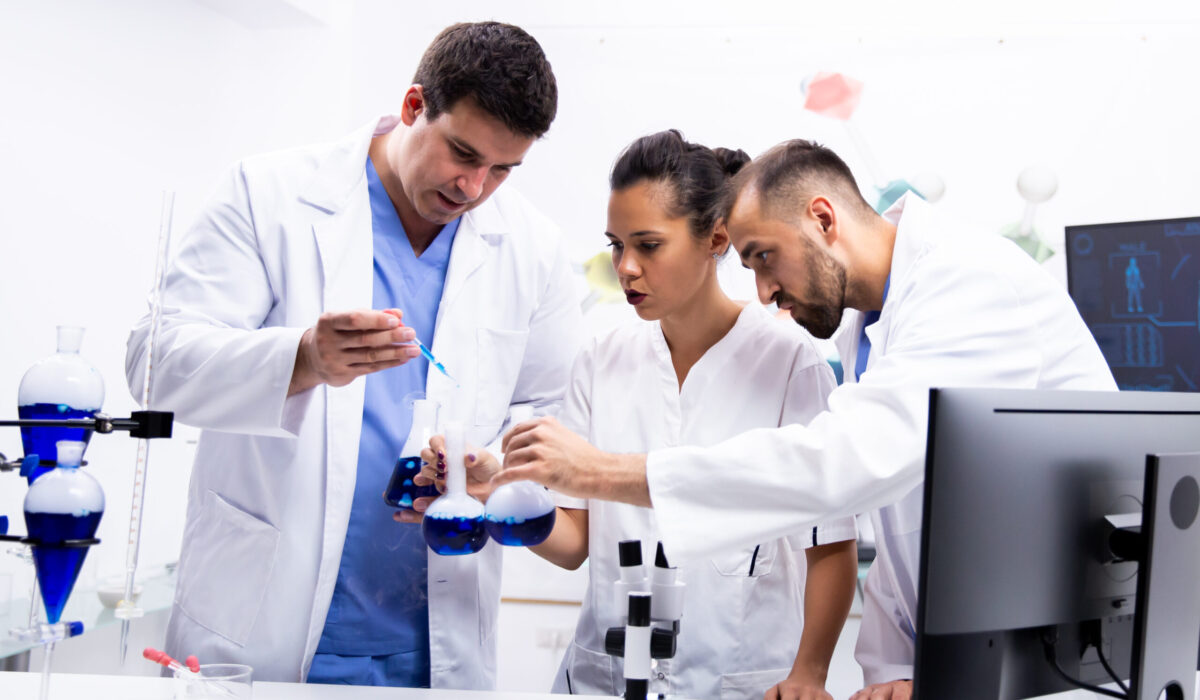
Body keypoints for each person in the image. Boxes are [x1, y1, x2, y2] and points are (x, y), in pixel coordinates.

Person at [491, 140, 1117, 699]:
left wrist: (605, 473)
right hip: (967, 655)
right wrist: (891, 664)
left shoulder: (969, 281)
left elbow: (842, 468)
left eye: (765, 257)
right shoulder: (869, 327)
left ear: (822, 218)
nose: (762, 292)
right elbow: (902, 518)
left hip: (1057, 658)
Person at [125, 22, 581, 689]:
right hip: (260, 623)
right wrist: (302, 359)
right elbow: (154, 362)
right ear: (412, 106)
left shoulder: (532, 249)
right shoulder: (269, 194)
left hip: (433, 636)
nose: (474, 188)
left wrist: (490, 465)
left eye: (502, 169)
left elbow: (544, 417)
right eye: (461, 152)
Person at [410, 131, 857, 699]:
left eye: (648, 245)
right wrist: (493, 493)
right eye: (616, 245)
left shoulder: (790, 362)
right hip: (604, 680)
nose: (625, 267)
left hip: (736, 681)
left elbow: (831, 546)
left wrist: (810, 675)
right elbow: (574, 544)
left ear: (716, 239)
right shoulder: (601, 361)